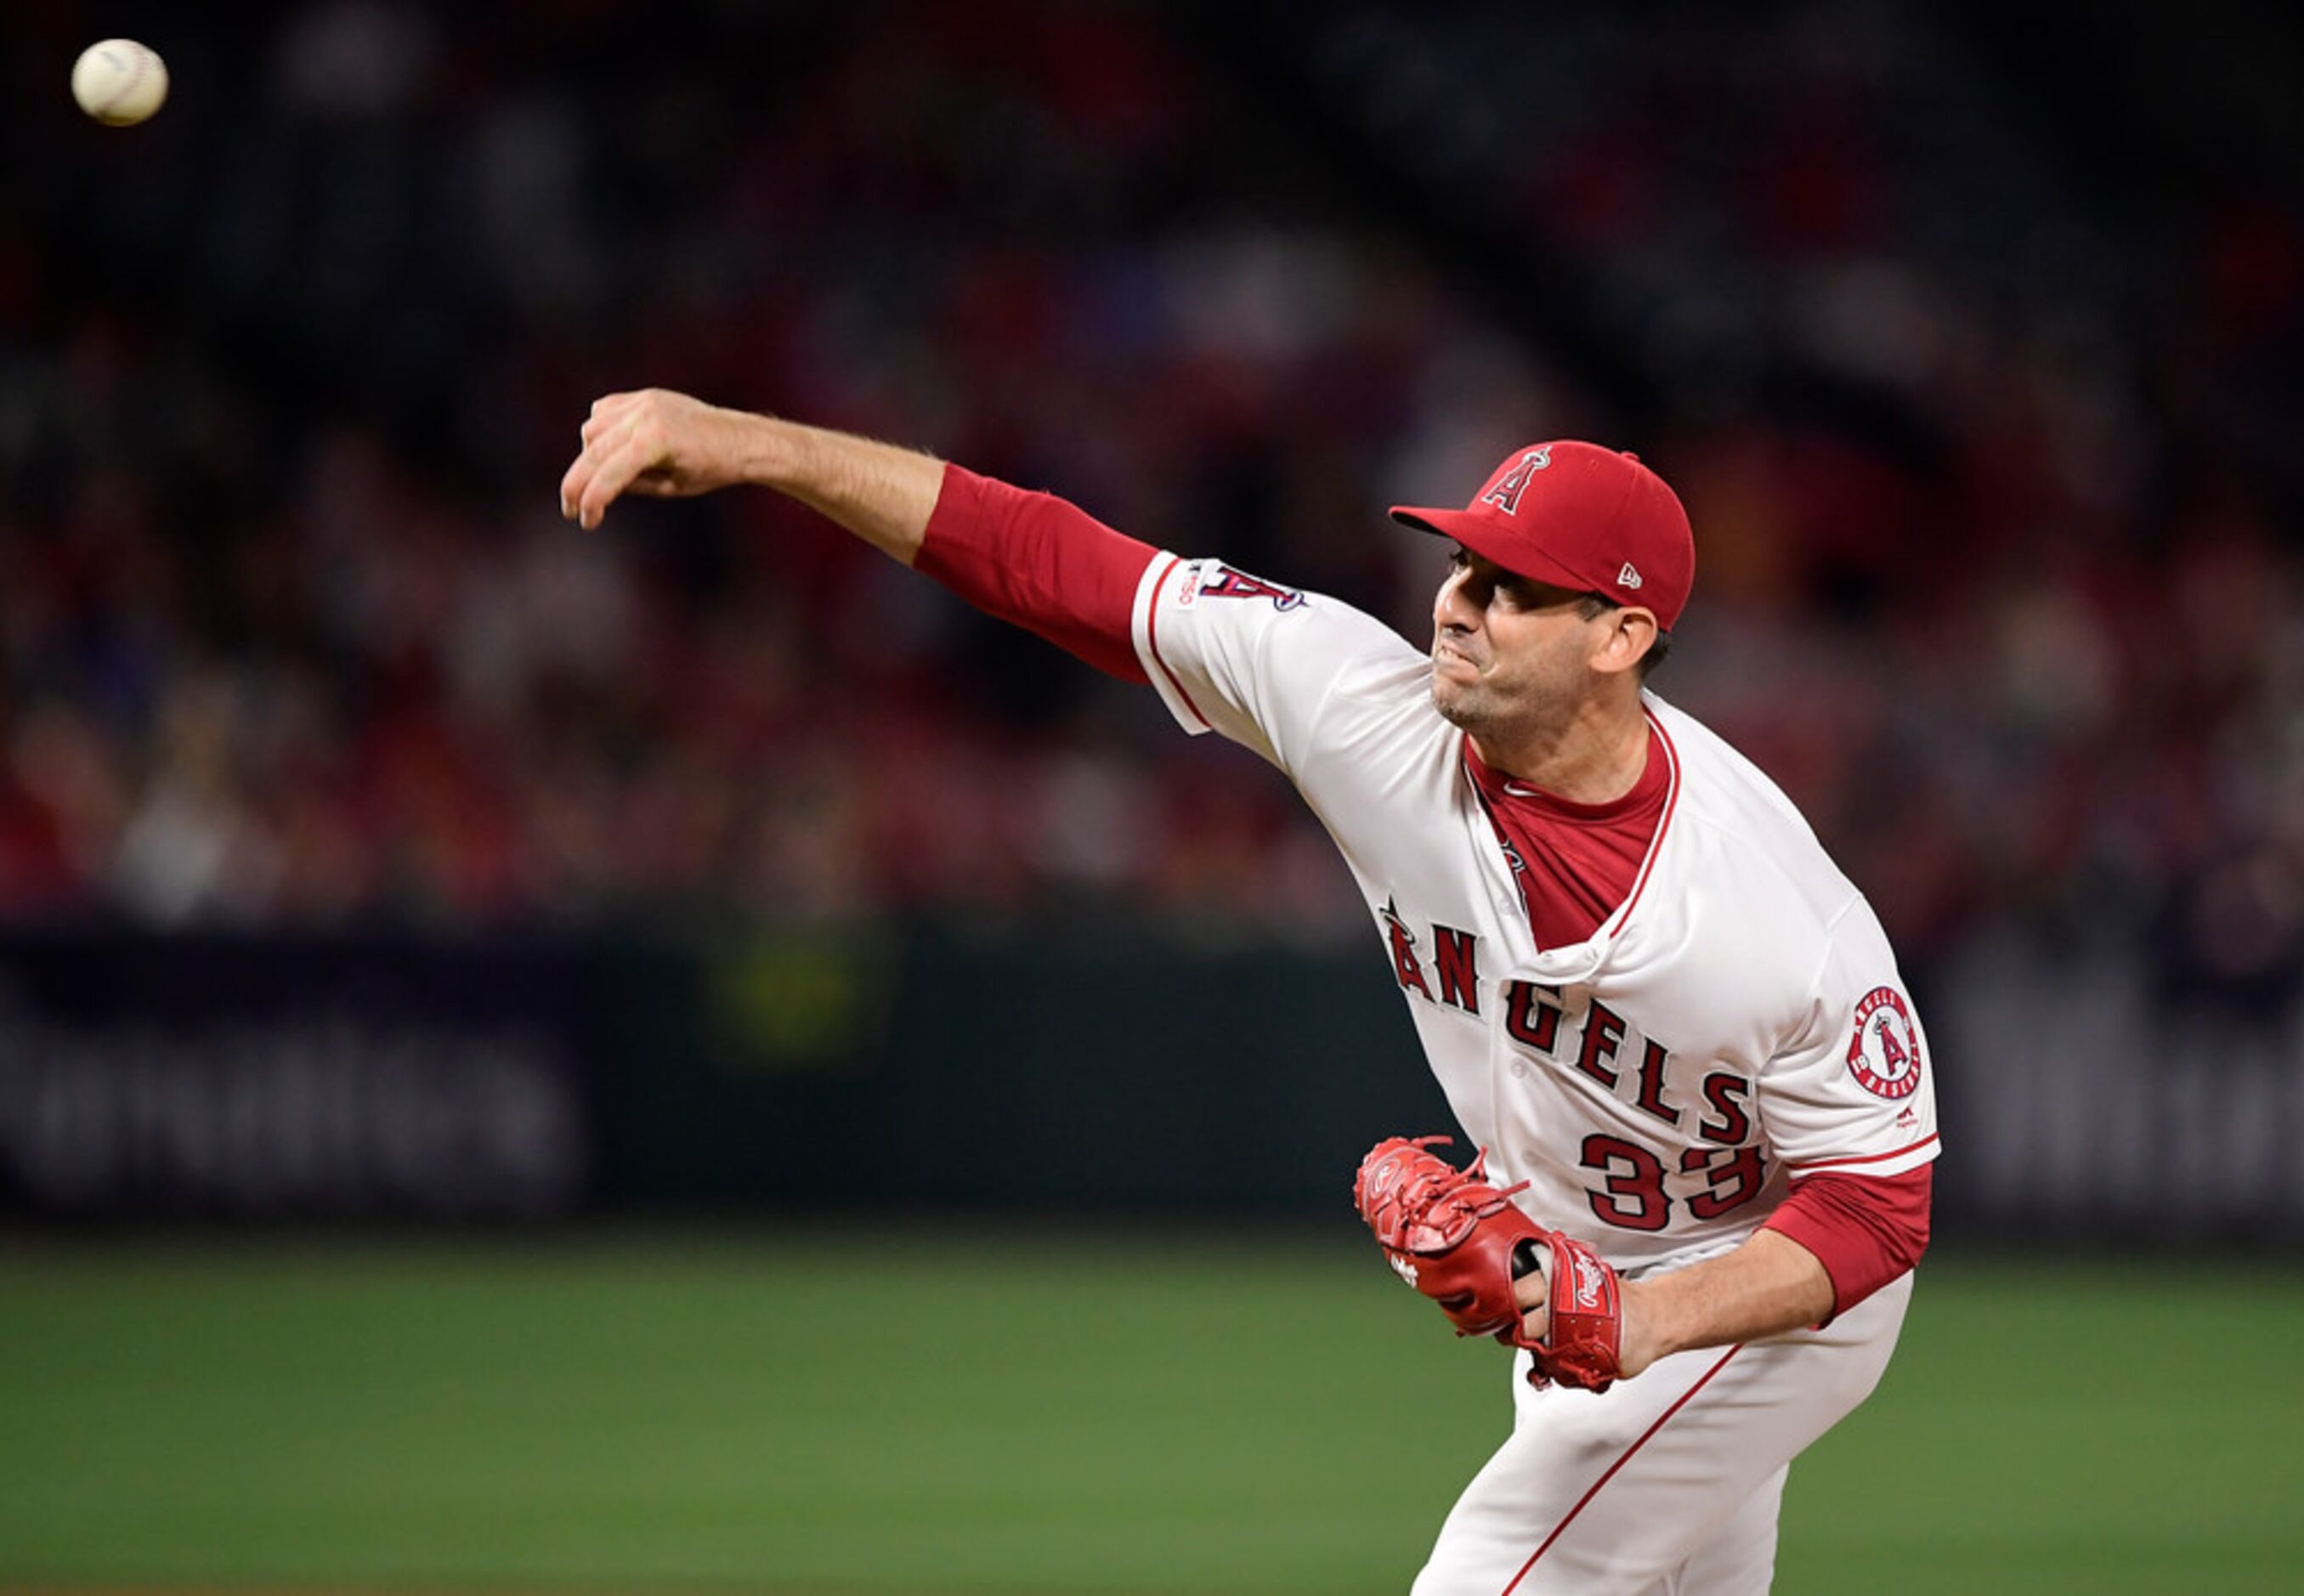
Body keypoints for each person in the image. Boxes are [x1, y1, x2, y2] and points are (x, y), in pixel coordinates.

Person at [559, 392, 1938, 1594]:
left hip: (1765, 1301)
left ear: (1618, 633)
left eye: (1514, 585)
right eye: (1464, 561)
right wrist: (749, 444)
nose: (1458, 599)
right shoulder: (1363, 706)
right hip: (1581, 1281)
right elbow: (1049, 559)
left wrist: (1640, 1320)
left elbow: (1881, 1205)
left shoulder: (1774, 916)